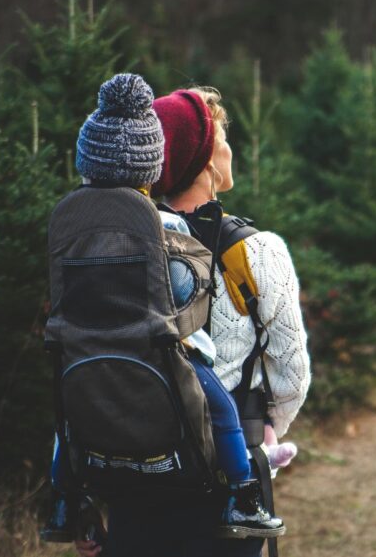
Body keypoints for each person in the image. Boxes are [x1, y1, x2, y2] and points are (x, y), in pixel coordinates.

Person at [41, 73, 287, 549]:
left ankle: (63, 501)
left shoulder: (72, 224)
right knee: (217, 403)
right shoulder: (164, 224)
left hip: (83, 349)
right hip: (158, 347)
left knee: (67, 418)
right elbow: (183, 287)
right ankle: (243, 494)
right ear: (149, 170)